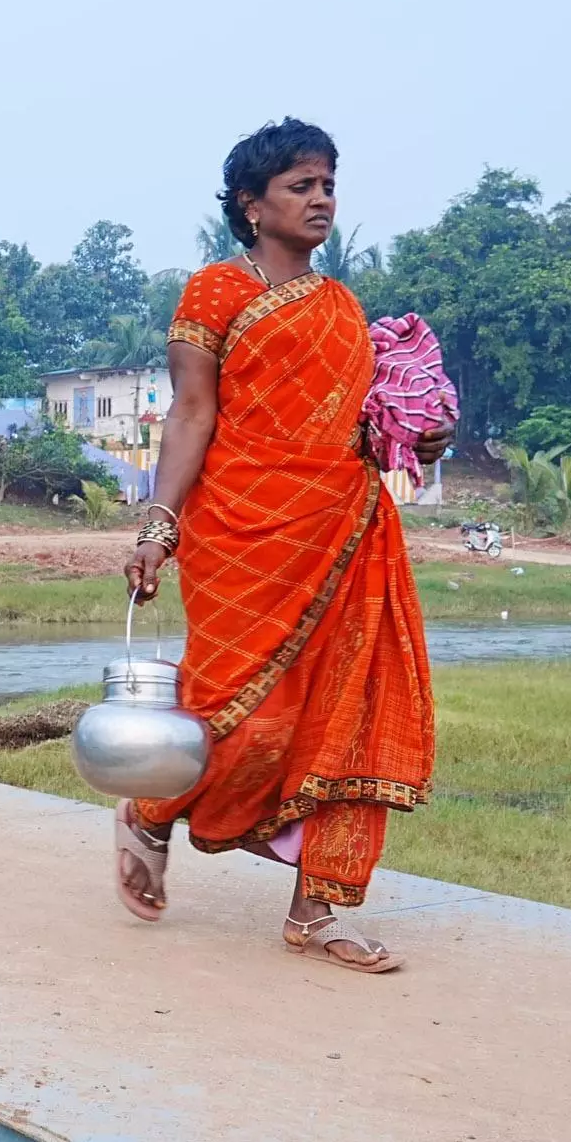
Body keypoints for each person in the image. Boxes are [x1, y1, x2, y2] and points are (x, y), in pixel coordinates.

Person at [119, 120, 446, 973]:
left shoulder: (343, 309)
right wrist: (158, 524)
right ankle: (150, 812)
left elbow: (364, 430)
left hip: (345, 530)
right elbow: (192, 413)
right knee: (243, 719)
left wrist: (424, 434)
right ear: (251, 204)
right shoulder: (216, 292)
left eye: (328, 185)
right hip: (240, 536)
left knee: (346, 716)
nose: (321, 200)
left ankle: (318, 909)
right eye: (301, 186)